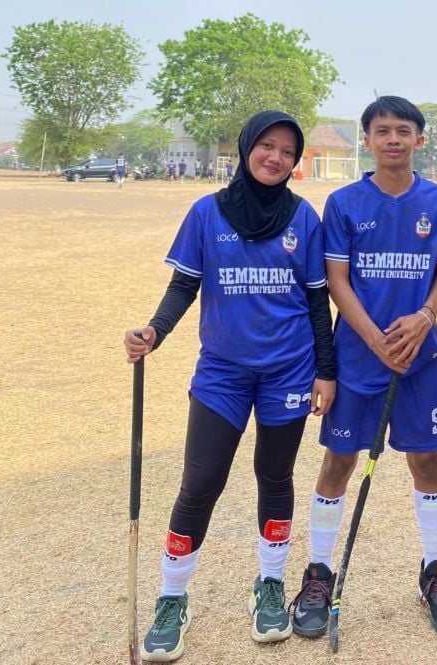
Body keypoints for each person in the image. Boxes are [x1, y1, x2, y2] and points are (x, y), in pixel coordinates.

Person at [124, 110, 336, 661]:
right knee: (200, 481)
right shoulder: (206, 212)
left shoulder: (303, 218)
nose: (275, 158)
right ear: (246, 148)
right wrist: (155, 331)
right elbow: (182, 285)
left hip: (289, 371)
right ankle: (173, 597)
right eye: (266, 146)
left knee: (275, 475)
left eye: (287, 151)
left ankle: (269, 585)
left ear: (295, 161)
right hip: (222, 374)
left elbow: (317, 300)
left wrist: (326, 369)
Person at [289, 96, 437, 639]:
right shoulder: (343, 202)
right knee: (338, 464)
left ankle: (434, 571)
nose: (393, 139)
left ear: (419, 139)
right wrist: (375, 340)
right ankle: (319, 572)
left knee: (426, 464)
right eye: (383, 131)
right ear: (366, 140)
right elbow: (337, 282)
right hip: (359, 360)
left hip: (419, 357)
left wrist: (424, 316)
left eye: (404, 131)